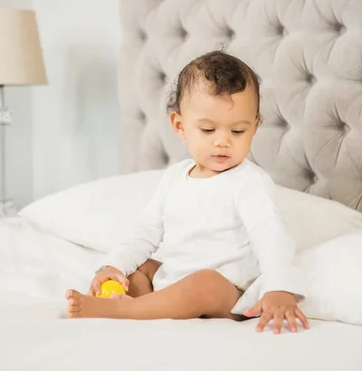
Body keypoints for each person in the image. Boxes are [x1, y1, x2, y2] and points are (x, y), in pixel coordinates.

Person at [66, 50, 309, 333]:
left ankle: (123, 309)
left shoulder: (249, 182)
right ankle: (151, 304)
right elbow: (145, 233)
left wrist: (278, 287)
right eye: (208, 130)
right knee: (140, 268)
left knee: (205, 281)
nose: (222, 142)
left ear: (255, 125)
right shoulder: (174, 178)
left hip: (226, 292)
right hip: (174, 281)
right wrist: (113, 266)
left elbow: (271, 236)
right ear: (180, 126)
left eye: (238, 131)